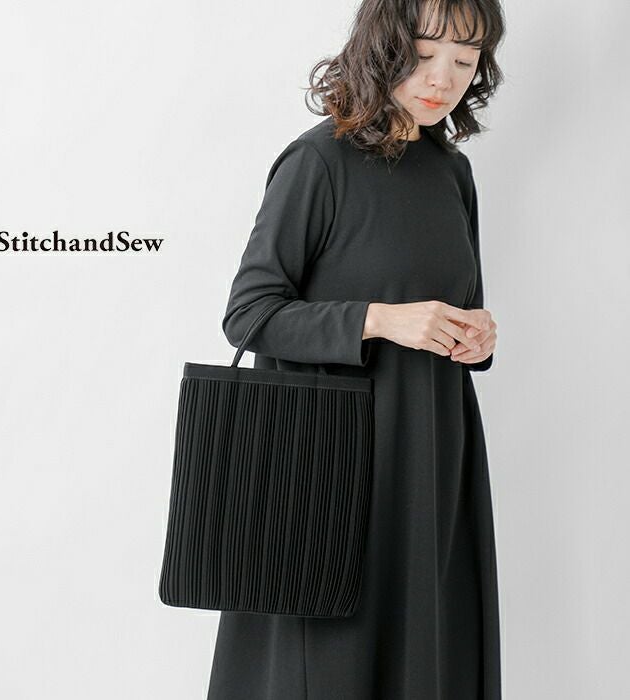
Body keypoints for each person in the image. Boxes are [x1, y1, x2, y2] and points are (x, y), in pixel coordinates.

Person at [207, 0, 506, 697]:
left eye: (465, 61)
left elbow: (455, 306)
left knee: (428, 658)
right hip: (330, 469)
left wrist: (478, 335)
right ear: (383, 47)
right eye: (424, 54)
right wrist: (378, 320)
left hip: (432, 458)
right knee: (328, 664)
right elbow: (249, 314)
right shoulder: (319, 161)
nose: (443, 78)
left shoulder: (452, 173)